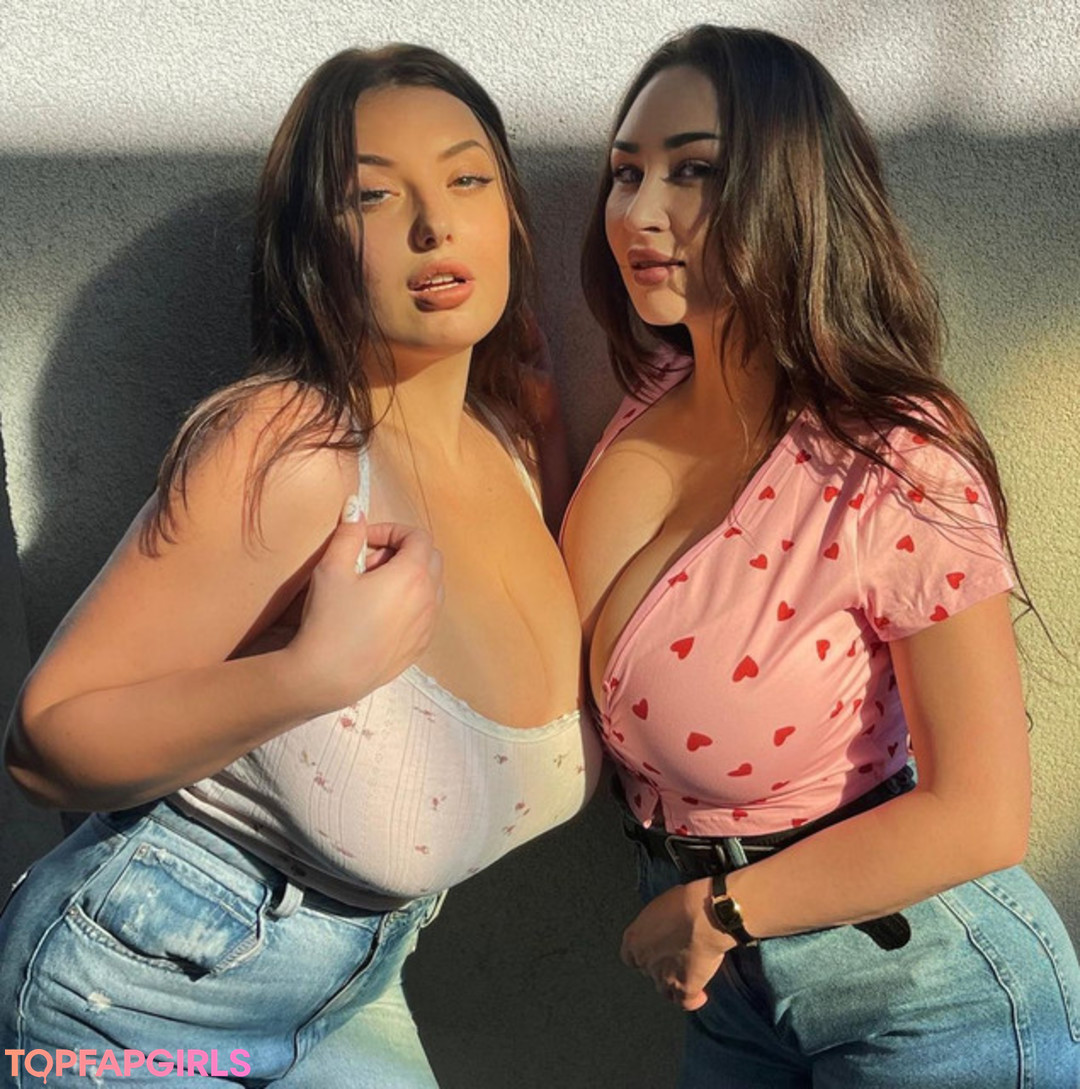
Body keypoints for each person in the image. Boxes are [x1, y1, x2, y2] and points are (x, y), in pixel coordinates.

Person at [1, 44, 600, 1087]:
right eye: (373, 196)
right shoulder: (294, 448)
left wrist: (548, 433)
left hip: (351, 977)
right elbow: (44, 746)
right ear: (313, 245)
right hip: (134, 990)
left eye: (467, 179)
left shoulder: (507, 444)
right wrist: (308, 674)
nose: (433, 225)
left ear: (510, 214)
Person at [561, 24, 1079, 1088]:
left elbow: (982, 813)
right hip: (733, 992)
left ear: (790, 190)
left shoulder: (895, 458)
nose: (637, 212)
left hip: (929, 993)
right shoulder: (647, 404)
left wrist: (722, 909)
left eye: (693, 171)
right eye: (627, 171)